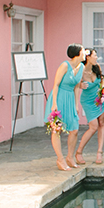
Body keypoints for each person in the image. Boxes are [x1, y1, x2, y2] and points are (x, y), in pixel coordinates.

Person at [44, 43, 86, 171]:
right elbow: (56, 85)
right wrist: (54, 103)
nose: (85, 53)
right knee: (57, 129)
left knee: (74, 129)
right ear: (77, 53)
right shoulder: (64, 65)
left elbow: (77, 86)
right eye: (84, 51)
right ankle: (60, 159)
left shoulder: (82, 67)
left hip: (70, 98)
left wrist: (76, 104)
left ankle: (70, 157)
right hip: (59, 97)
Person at [75, 48, 104, 165]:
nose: (96, 58)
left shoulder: (97, 67)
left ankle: (100, 151)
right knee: (93, 126)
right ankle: (79, 152)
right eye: (95, 55)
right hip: (88, 101)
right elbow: (75, 84)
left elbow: (101, 82)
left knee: (101, 123)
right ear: (88, 57)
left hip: (99, 98)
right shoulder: (81, 70)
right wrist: (80, 85)